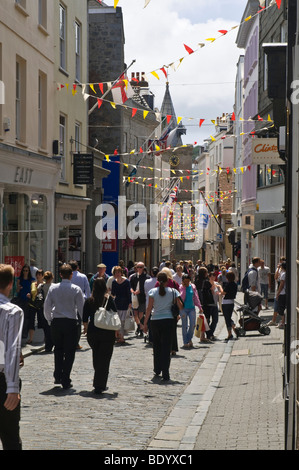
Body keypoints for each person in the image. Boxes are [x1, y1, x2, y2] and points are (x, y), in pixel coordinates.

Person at [43, 264, 84, 389]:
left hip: (57, 322)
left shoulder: (53, 288)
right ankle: (65, 378)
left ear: (60, 275)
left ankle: (57, 375)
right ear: (71, 275)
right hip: (70, 322)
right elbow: (81, 308)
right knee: (70, 351)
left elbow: (47, 307)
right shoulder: (76, 289)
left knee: (58, 349)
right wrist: (82, 323)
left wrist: (50, 319)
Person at [0, 264, 24, 450]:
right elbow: (12, 350)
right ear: (10, 284)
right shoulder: (12, 311)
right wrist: (13, 387)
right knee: (10, 437)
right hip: (2, 381)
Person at [143, 272, 183, 382]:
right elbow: (180, 305)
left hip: (155, 321)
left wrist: (145, 323)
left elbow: (149, 309)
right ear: (167, 281)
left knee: (157, 346)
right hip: (168, 321)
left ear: (157, 281)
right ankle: (166, 372)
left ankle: (157, 369)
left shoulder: (152, 292)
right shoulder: (173, 292)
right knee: (166, 347)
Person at [83, 278, 117, 394]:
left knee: (96, 356)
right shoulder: (109, 300)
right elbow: (115, 314)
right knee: (105, 358)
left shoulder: (89, 301)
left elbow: (84, 318)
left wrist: (85, 329)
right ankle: (100, 383)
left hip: (93, 332)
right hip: (107, 332)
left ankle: (98, 379)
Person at [179, 274, 203, 348]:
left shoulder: (192, 286)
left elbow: (196, 297)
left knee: (192, 325)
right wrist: (183, 288)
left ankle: (189, 338)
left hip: (191, 308)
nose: (186, 283)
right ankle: (185, 341)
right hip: (183, 309)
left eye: (187, 281)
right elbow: (181, 297)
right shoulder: (180, 287)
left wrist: (199, 306)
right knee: (184, 325)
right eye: (185, 281)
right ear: (182, 281)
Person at [111, 266, 132, 344]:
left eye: (118, 272)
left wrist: (130, 303)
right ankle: (119, 336)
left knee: (122, 321)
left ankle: (121, 337)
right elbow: (113, 294)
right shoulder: (114, 282)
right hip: (117, 303)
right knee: (118, 320)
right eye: (116, 272)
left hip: (125, 303)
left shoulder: (126, 282)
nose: (117, 274)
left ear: (121, 273)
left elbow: (129, 293)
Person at [129, 262, 150, 337]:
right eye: (138, 267)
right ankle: (139, 326)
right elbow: (130, 285)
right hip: (134, 297)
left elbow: (147, 287)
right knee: (135, 314)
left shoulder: (147, 277)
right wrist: (132, 291)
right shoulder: (133, 277)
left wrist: (140, 291)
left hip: (142, 298)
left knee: (141, 313)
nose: (139, 268)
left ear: (144, 268)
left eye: (141, 267)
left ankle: (141, 328)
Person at [16, 264, 35, 341]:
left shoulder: (32, 280)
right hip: (21, 300)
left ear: (29, 271)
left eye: (26, 270)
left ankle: (26, 334)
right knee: (21, 317)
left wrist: (30, 294)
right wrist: (18, 288)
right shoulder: (19, 279)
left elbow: (33, 291)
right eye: (24, 270)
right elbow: (16, 291)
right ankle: (21, 334)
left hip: (28, 301)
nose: (25, 272)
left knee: (28, 318)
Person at [202, 272, 222, 341]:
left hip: (215, 305)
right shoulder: (207, 284)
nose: (213, 277)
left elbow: (218, 293)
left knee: (215, 320)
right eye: (211, 276)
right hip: (208, 305)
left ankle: (210, 333)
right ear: (209, 277)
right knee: (207, 321)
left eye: (214, 276)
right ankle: (209, 335)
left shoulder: (217, 284)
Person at [27, 269, 44, 345]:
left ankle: (45, 337)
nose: (38, 276)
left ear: (43, 276)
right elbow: (31, 292)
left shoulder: (44, 284)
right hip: (32, 304)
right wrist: (29, 295)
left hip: (40, 305)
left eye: (40, 274)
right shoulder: (33, 284)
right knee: (31, 321)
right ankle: (30, 338)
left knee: (42, 321)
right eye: (37, 274)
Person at [268, 261, 286, 328]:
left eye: (281, 266)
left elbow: (281, 284)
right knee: (281, 308)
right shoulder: (283, 273)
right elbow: (276, 277)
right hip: (282, 292)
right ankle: (283, 321)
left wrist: (278, 293)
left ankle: (283, 322)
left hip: (282, 293)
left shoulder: (284, 274)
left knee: (281, 308)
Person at [39, 271, 54, 352]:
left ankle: (48, 345)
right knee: (52, 327)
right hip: (52, 309)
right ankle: (52, 342)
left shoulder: (41, 286)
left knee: (46, 328)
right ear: (52, 278)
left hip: (43, 308)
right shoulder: (54, 286)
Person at [222, 271, 238, 342]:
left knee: (227, 318)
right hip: (231, 302)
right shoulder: (235, 284)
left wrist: (220, 290)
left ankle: (230, 333)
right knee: (229, 317)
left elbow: (224, 292)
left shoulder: (228, 284)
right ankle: (233, 326)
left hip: (225, 302)